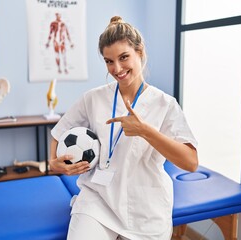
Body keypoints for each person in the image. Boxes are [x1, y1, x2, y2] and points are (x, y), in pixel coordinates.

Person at [48, 16, 198, 240]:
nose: (116, 68)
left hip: (146, 209)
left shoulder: (164, 104)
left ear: (140, 52)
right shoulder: (93, 98)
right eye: (109, 61)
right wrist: (54, 162)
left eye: (124, 57)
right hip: (98, 201)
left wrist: (145, 131)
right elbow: (60, 132)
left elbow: (190, 162)